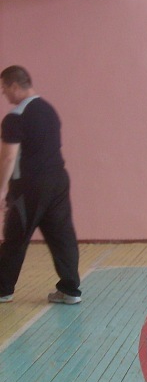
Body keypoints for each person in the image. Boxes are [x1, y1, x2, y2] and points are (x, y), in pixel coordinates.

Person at [0, 66, 82, 305]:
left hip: (29, 187)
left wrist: (1, 189)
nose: (4, 94)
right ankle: (70, 290)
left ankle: (3, 289)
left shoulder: (15, 117)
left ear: (15, 86)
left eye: (4, 89)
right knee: (62, 235)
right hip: (58, 181)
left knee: (15, 237)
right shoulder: (49, 110)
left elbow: (8, 157)